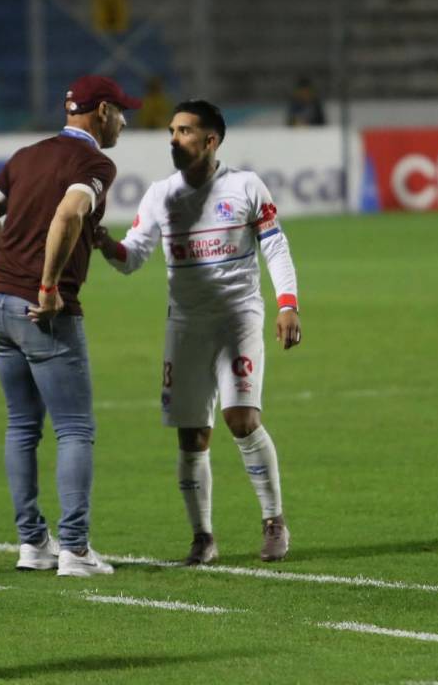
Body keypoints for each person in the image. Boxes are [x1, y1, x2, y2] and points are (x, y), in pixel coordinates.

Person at [94, 99, 301, 565]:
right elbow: (132, 258)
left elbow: (275, 247)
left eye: (184, 130)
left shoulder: (246, 186)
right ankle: (202, 537)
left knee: (241, 419)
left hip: (238, 318)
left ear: (211, 140)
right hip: (186, 327)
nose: (174, 138)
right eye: (171, 130)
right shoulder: (159, 195)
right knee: (192, 437)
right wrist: (106, 244)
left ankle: (273, 521)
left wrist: (288, 304)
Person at [0, 74, 140, 578]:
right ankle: (76, 549)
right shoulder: (94, 163)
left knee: (22, 426)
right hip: (42, 310)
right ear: (101, 111)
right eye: (122, 111)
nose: (125, 122)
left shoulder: (25, 156)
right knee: (75, 429)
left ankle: (32, 544)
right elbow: (68, 214)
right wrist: (44, 285)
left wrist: (13, 271)